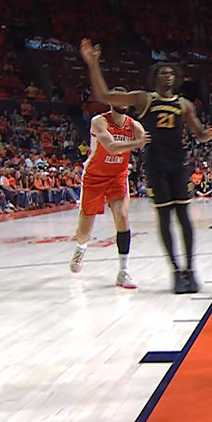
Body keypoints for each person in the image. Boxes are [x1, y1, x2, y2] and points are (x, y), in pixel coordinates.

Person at [80, 43, 212, 294]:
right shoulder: (144, 99)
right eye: (163, 72)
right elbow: (104, 95)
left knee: (184, 217)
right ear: (154, 77)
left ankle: (190, 270)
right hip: (156, 165)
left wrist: (207, 134)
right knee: (165, 218)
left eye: (171, 72)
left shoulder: (184, 104)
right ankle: (176, 271)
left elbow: (198, 133)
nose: (168, 75)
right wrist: (93, 64)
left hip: (178, 165)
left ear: (177, 78)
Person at [69, 90, 150, 287]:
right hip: (94, 176)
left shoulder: (134, 125)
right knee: (84, 229)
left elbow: (147, 142)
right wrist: (138, 143)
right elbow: (112, 147)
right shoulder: (99, 121)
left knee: (122, 217)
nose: (123, 101)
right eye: (118, 98)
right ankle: (81, 247)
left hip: (117, 176)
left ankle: (123, 271)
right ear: (111, 101)